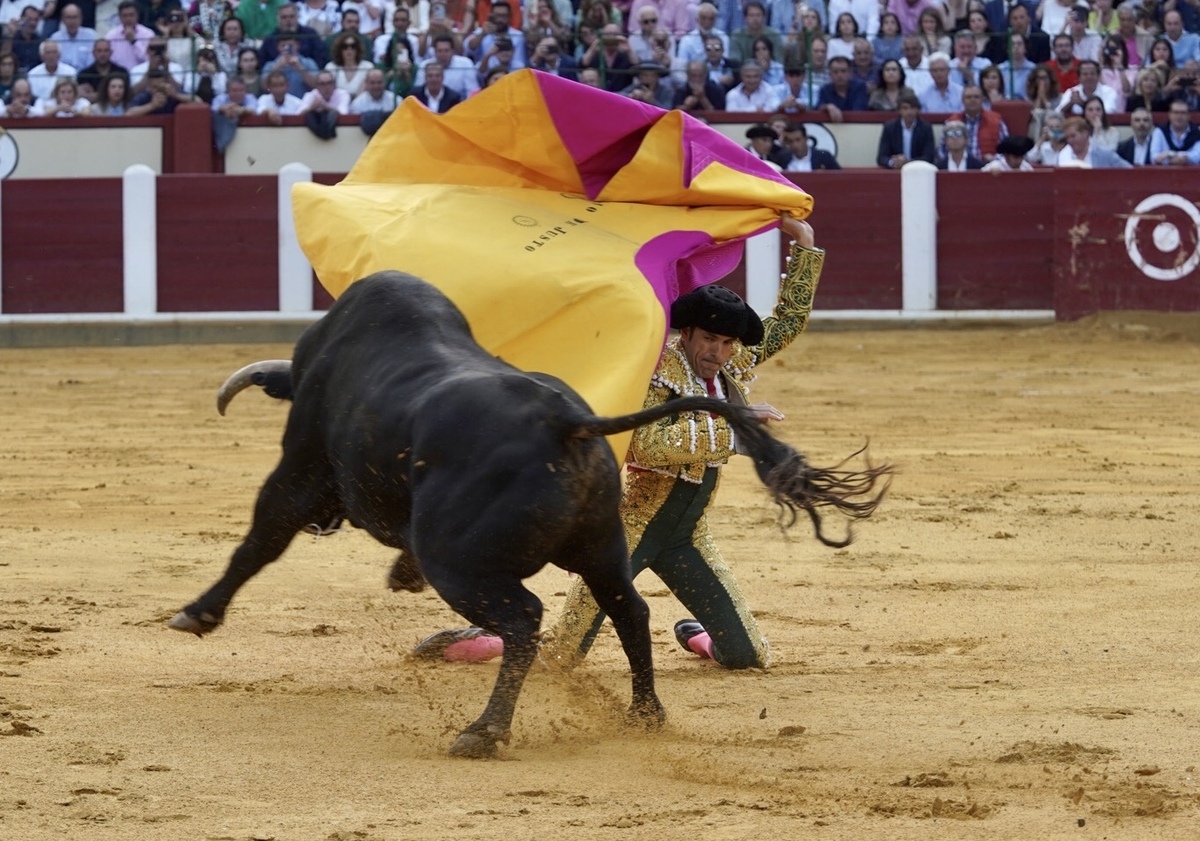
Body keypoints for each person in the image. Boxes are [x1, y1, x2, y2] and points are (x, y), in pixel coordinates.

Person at [414, 215, 828, 671]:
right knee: (559, 658)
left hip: (687, 536)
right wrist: (734, 426)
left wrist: (805, 243)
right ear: (686, 332)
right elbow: (647, 445)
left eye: (729, 343)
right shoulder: (650, 370)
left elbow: (786, 323)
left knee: (748, 656)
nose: (719, 352)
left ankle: (697, 636)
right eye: (710, 339)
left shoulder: (728, 363)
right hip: (627, 534)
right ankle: (485, 640)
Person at [948, 83, 1008, 159]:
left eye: (976, 97)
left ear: (983, 100)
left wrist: (994, 159)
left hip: (988, 167)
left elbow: (1007, 151)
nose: (972, 100)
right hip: (959, 168)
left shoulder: (997, 121)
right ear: (962, 100)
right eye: (968, 97)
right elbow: (942, 150)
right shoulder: (952, 121)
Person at [876, 89, 937, 165]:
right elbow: (881, 157)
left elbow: (929, 157)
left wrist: (908, 162)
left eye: (912, 108)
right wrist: (893, 163)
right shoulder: (890, 127)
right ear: (899, 110)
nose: (909, 112)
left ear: (918, 110)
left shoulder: (925, 127)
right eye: (905, 108)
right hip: (895, 171)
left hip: (918, 170)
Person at [260, 3, 328, 68]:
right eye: (284, 17)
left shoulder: (310, 34)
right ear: (278, 19)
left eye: (292, 16)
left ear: (298, 17)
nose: (288, 20)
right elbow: (263, 63)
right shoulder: (271, 39)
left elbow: (320, 58)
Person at [261, 33, 320, 98]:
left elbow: (316, 85)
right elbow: (265, 87)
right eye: (283, 45)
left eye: (290, 45)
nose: (286, 48)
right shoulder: (269, 65)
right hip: (278, 105)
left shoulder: (309, 63)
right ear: (278, 47)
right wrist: (277, 67)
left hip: (304, 104)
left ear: (298, 45)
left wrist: (299, 67)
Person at [730, 0, 784, 66]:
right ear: (745, 18)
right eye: (751, 15)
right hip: (745, 73)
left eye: (758, 15)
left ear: (764, 17)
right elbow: (735, 62)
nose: (755, 19)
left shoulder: (774, 35)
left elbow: (779, 60)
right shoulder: (737, 36)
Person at [106, 0, 156, 70]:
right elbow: (110, 59)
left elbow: (148, 59)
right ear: (119, 17)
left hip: (142, 75)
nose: (128, 19)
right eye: (125, 16)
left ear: (137, 15)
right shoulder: (111, 35)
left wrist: (134, 42)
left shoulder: (148, 34)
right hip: (118, 75)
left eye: (131, 15)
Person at [76, 36, 129, 101]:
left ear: (111, 52)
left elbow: (127, 94)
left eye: (106, 50)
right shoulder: (84, 74)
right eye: (99, 51)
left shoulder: (122, 72)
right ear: (93, 53)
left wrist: (99, 96)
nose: (102, 54)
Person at [1149, 97, 1200, 163]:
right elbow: (1154, 157)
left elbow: (1197, 157)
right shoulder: (1159, 131)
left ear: (1188, 115)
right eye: (1175, 112)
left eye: (1183, 113)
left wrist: (1168, 155)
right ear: (1169, 114)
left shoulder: (1197, 132)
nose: (1179, 116)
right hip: (1164, 172)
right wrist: (1183, 157)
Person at [817, 54, 868, 118]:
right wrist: (827, 107)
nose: (839, 75)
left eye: (843, 71)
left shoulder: (860, 88)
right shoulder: (825, 90)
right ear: (830, 75)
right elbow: (818, 108)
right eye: (835, 72)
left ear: (850, 73)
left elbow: (858, 112)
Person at [48, 3, 97, 71]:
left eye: (75, 17)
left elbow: (93, 61)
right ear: (62, 19)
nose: (72, 21)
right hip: (63, 76)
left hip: (86, 75)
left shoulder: (91, 35)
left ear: (81, 18)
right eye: (68, 17)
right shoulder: (55, 38)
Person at [327, 31, 374, 95]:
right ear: (339, 49)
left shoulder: (368, 67)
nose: (349, 49)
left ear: (358, 49)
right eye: (345, 46)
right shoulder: (330, 67)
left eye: (353, 46)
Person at [1098, 33, 1135, 111]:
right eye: (1110, 48)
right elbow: (1098, 88)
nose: (1113, 51)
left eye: (1115, 48)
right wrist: (1100, 63)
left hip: (1120, 111)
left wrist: (1120, 66)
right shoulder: (1102, 70)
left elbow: (1127, 91)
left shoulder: (1132, 70)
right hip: (1103, 110)